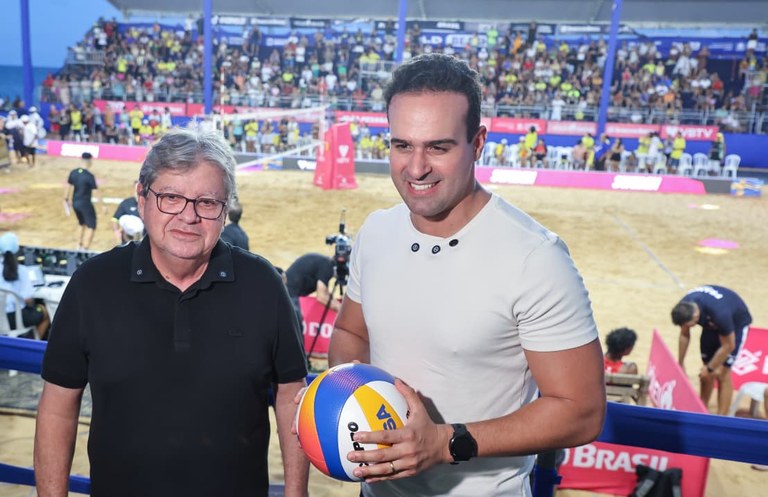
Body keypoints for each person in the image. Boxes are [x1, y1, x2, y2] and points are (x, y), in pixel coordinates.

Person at [326, 53, 605, 495]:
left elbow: (581, 410)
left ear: (477, 143)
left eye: (437, 147)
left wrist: (446, 443)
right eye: (402, 145)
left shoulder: (536, 257)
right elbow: (351, 333)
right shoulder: (376, 231)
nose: (415, 168)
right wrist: (340, 397)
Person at [35, 128, 310, 496]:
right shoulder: (91, 284)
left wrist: (296, 493)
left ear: (225, 212)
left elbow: (292, 395)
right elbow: (57, 406)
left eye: (207, 203)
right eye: (171, 197)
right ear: (142, 198)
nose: (188, 216)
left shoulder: (264, 285)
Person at [671, 285, 752, 415]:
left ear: (696, 316)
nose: (688, 327)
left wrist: (710, 368)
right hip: (712, 325)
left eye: (690, 325)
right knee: (706, 373)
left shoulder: (720, 314)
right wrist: (680, 363)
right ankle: (701, 409)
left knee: (721, 373)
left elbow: (728, 346)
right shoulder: (685, 306)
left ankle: (722, 417)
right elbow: (684, 334)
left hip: (735, 326)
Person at [0, 232, 50, 339]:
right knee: (44, 311)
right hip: (16, 318)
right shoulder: (22, 271)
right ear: (17, 251)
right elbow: (28, 300)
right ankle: (33, 344)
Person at [285, 253, 341, 325]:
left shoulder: (324, 262)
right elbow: (322, 297)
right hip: (289, 293)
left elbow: (325, 292)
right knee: (296, 324)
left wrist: (338, 304)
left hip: (287, 291)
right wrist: (343, 312)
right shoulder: (328, 266)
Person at [64, 152, 102, 250]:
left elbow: (68, 186)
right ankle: (85, 248)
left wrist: (66, 199)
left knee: (81, 223)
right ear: (89, 161)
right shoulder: (89, 176)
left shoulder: (74, 172)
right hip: (85, 203)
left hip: (75, 203)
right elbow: (96, 191)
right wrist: (102, 205)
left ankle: (78, 245)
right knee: (91, 226)